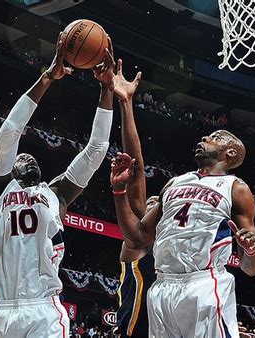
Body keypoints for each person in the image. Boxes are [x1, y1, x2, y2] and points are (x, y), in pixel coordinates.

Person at [0, 32, 116, 338]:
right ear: (10, 169)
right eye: (23, 157)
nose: (30, 159)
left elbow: (96, 150)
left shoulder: (57, 195)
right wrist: (48, 76)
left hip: (42, 311)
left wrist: (107, 89)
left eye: (34, 158)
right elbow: (10, 131)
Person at [111, 130, 255, 337]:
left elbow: (251, 269)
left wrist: (251, 251)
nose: (204, 139)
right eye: (207, 137)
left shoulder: (235, 188)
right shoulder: (175, 182)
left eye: (215, 138)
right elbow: (138, 238)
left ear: (231, 153)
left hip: (204, 284)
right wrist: (119, 191)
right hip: (163, 286)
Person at [109, 60, 156, 337]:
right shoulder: (140, 244)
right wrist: (125, 104)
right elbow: (136, 169)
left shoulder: (174, 256)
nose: (151, 206)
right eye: (151, 204)